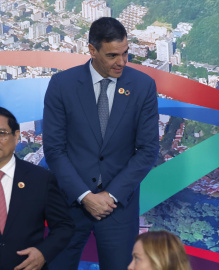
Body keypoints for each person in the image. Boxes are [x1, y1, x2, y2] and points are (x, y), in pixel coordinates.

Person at [43, 17, 159, 270]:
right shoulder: (62, 85)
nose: (122, 62)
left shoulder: (143, 87)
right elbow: (54, 148)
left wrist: (110, 195)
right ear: (92, 50)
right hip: (70, 204)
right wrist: (85, 196)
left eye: (126, 53)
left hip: (117, 208)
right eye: (112, 55)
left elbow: (148, 150)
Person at [0, 107, 74, 270]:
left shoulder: (41, 179)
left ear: (16, 136)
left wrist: (43, 253)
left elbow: (64, 226)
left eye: (2, 133)